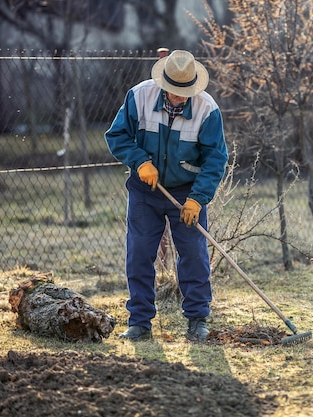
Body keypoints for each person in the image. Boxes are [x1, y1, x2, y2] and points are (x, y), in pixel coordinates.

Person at [105, 50, 228, 342]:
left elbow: (215, 159)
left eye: (186, 92)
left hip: (187, 192)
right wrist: (140, 161)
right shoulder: (139, 97)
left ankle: (197, 320)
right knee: (139, 254)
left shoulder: (207, 110)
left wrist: (198, 199)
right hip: (146, 190)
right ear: (164, 85)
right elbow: (116, 136)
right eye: (175, 92)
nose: (181, 97)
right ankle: (140, 322)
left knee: (194, 255)